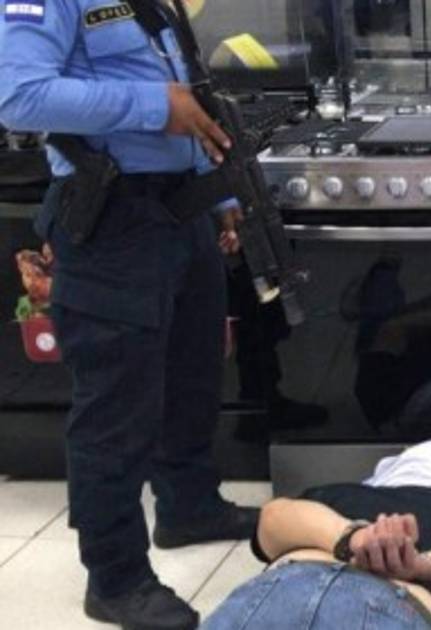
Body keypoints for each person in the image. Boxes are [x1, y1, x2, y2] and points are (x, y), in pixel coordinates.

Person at [0, 2, 260, 628]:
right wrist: (151, 106)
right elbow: (19, 97)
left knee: (192, 375)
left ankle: (189, 507)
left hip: (182, 210)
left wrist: (218, 191)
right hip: (112, 217)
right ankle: (115, 578)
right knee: (115, 406)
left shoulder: (154, 4)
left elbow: (188, 98)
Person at [202, 439, 431, 630]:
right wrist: (352, 537)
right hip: (308, 594)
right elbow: (271, 521)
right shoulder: (339, 498)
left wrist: (422, 564)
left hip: (290, 592)